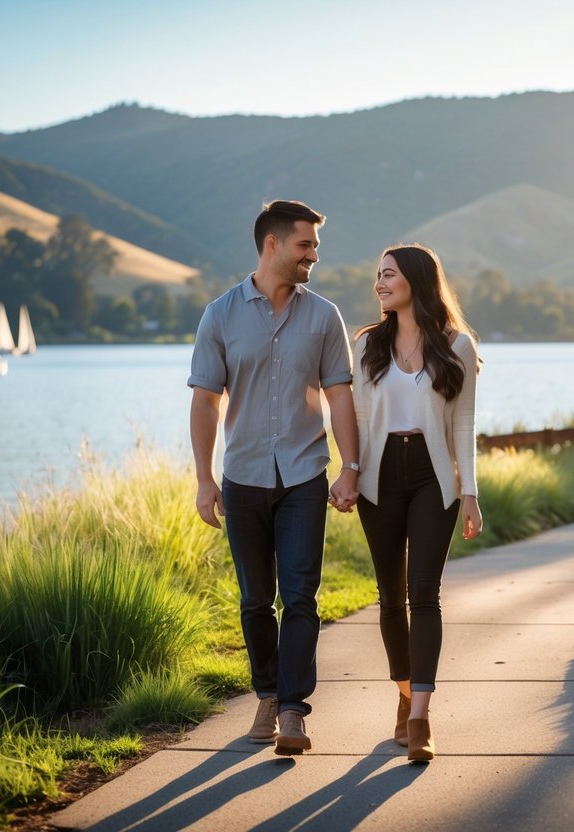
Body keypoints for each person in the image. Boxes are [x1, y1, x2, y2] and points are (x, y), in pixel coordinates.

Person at [188, 199, 359, 757]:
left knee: (302, 596)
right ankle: (267, 692)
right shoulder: (220, 314)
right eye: (305, 245)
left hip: (305, 474)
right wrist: (204, 479)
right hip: (243, 478)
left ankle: (292, 711)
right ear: (272, 245)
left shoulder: (324, 315)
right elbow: (206, 400)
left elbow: (339, 396)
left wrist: (350, 467)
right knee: (255, 600)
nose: (314, 255)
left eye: (315, 246)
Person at [352, 243, 483, 762]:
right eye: (378, 275)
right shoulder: (365, 345)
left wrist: (469, 494)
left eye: (389, 274)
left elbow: (464, 423)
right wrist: (349, 473)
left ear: (417, 281)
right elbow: (359, 421)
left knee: (425, 594)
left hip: (434, 479)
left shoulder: (458, 345)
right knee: (390, 596)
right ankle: (405, 698)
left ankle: (422, 718)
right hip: (379, 479)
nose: (380, 283)